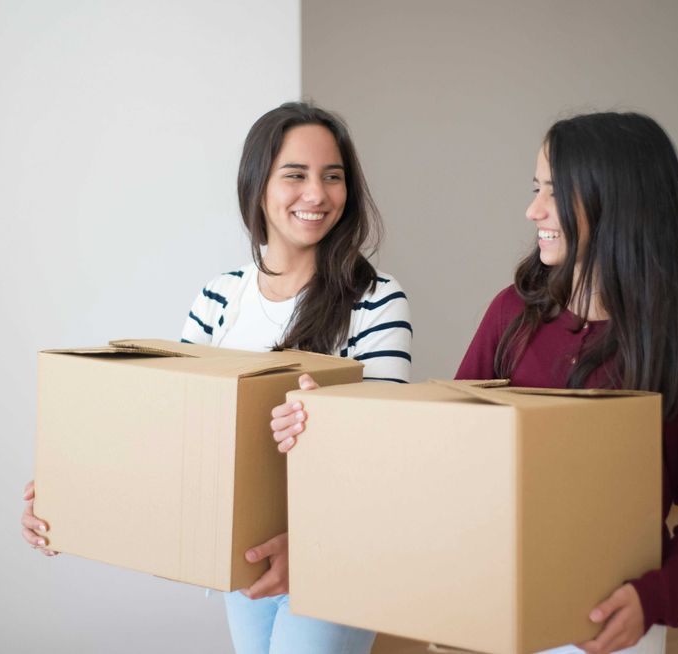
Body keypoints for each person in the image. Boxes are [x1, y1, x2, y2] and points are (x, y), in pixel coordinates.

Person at [276, 112, 678, 654]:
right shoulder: (513, 312)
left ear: (618, 201)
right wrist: (332, 421)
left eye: (554, 192)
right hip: (489, 596)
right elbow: (443, 437)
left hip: (605, 618)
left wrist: (653, 598)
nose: (533, 210)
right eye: (535, 188)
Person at [21, 101, 412, 654]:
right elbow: (170, 427)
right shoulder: (220, 296)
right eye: (295, 175)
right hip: (243, 554)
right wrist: (69, 490)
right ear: (258, 185)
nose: (317, 195)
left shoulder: (376, 298)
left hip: (336, 555)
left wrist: (326, 420)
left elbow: (390, 441)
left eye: (333, 177)